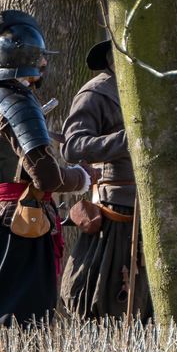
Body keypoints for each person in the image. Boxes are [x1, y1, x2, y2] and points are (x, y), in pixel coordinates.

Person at [0, 10, 90, 327]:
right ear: (31, 58)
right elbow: (47, 177)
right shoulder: (19, 102)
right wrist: (81, 178)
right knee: (18, 323)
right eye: (41, 58)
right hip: (18, 226)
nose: (44, 65)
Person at [60, 36, 151, 320]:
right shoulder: (96, 93)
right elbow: (73, 147)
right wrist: (130, 139)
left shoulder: (148, 91)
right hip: (115, 213)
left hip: (151, 208)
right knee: (104, 298)